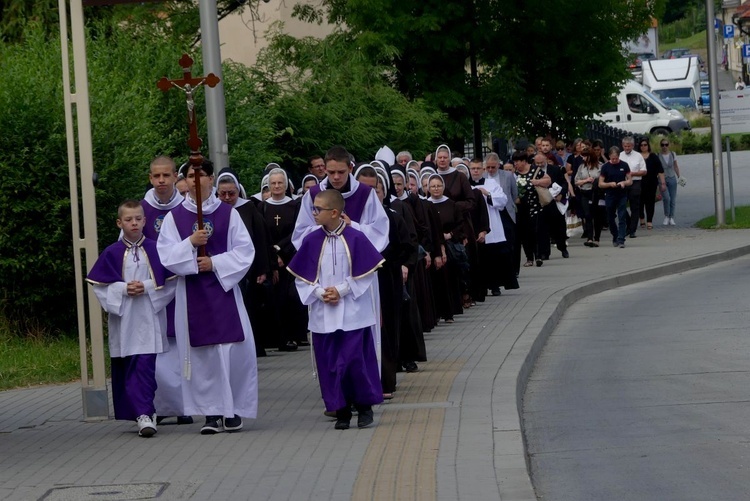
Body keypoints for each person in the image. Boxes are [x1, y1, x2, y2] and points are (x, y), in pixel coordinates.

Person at [157, 159, 258, 435]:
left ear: (211, 179)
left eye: (201, 175)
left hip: (223, 292)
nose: (195, 180)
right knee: (201, 356)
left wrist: (215, 264)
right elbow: (165, 255)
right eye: (190, 175)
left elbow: (245, 251)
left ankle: (233, 410)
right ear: (186, 181)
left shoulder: (228, 213)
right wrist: (190, 244)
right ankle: (211, 414)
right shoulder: (174, 218)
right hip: (191, 295)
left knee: (230, 351)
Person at [287, 189, 385, 430]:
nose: (314, 213)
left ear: (334, 212)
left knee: (355, 362)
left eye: (318, 209)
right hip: (324, 313)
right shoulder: (311, 240)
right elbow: (302, 277)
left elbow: (366, 274)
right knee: (330, 364)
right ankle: (340, 410)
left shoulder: (356, 237)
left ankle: (364, 407)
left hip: (353, 312)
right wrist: (320, 293)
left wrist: (341, 290)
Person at [86, 200, 176, 437]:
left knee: (145, 365)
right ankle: (142, 413)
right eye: (128, 219)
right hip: (125, 321)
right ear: (119, 222)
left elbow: (171, 283)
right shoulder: (111, 252)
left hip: (149, 317)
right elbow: (99, 287)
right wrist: (124, 289)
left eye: (138, 218)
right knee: (129, 367)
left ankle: (146, 414)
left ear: (145, 221)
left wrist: (146, 286)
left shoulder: (157, 249)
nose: (134, 223)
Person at [139, 156, 192, 425]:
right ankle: (158, 406)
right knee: (157, 348)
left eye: (166, 176)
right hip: (152, 288)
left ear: (175, 178)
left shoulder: (187, 209)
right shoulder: (140, 210)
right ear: (150, 178)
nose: (161, 181)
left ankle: (184, 406)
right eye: (156, 176)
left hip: (181, 284)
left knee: (181, 345)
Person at [259, 167, 308, 351]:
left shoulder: (295, 205)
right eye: (273, 183)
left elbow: (298, 231)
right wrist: (273, 255)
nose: (277, 186)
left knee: (290, 298)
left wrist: (281, 251)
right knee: (273, 300)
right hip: (271, 261)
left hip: (291, 259)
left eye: (280, 183)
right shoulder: (262, 206)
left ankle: (293, 336)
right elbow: (262, 235)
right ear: (268, 185)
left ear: (286, 185)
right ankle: (276, 338)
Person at [599, 146, 632, 248]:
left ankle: (621, 239)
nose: (614, 160)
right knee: (610, 217)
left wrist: (624, 182)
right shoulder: (605, 167)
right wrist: (609, 184)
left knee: (622, 215)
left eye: (616, 158)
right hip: (610, 194)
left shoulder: (624, 165)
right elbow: (600, 183)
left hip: (621, 194)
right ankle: (615, 235)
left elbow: (630, 180)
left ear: (618, 156)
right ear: (609, 157)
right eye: (612, 158)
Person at [619, 136, 647, 238]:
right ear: (622, 146)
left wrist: (633, 173)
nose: (627, 148)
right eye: (625, 146)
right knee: (621, 205)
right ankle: (629, 223)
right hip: (623, 182)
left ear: (633, 145)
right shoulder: (620, 155)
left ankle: (632, 230)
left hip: (635, 182)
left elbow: (644, 171)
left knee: (635, 207)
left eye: (629, 146)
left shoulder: (638, 156)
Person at [638, 139, 666, 230]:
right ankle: (641, 218)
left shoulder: (653, 156)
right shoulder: (637, 156)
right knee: (639, 202)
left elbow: (660, 170)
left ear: (648, 146)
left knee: (650, 202)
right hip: (639, 183)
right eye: (641, 145)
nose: (643, 146)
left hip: (651, 183)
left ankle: (649, 221)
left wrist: (663, 183)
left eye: (645, 145)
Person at [658, 139, 681, 225]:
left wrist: (679, 176)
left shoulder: (672, 154)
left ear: (669, 145)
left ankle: (671, 217)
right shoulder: (658, 155)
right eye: (662, 145)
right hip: (662, 178)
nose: (664, 147)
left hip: (672, 177)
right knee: (666, 198)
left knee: (672, 199)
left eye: (666, 145)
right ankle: (666, 215)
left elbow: (675, 166)